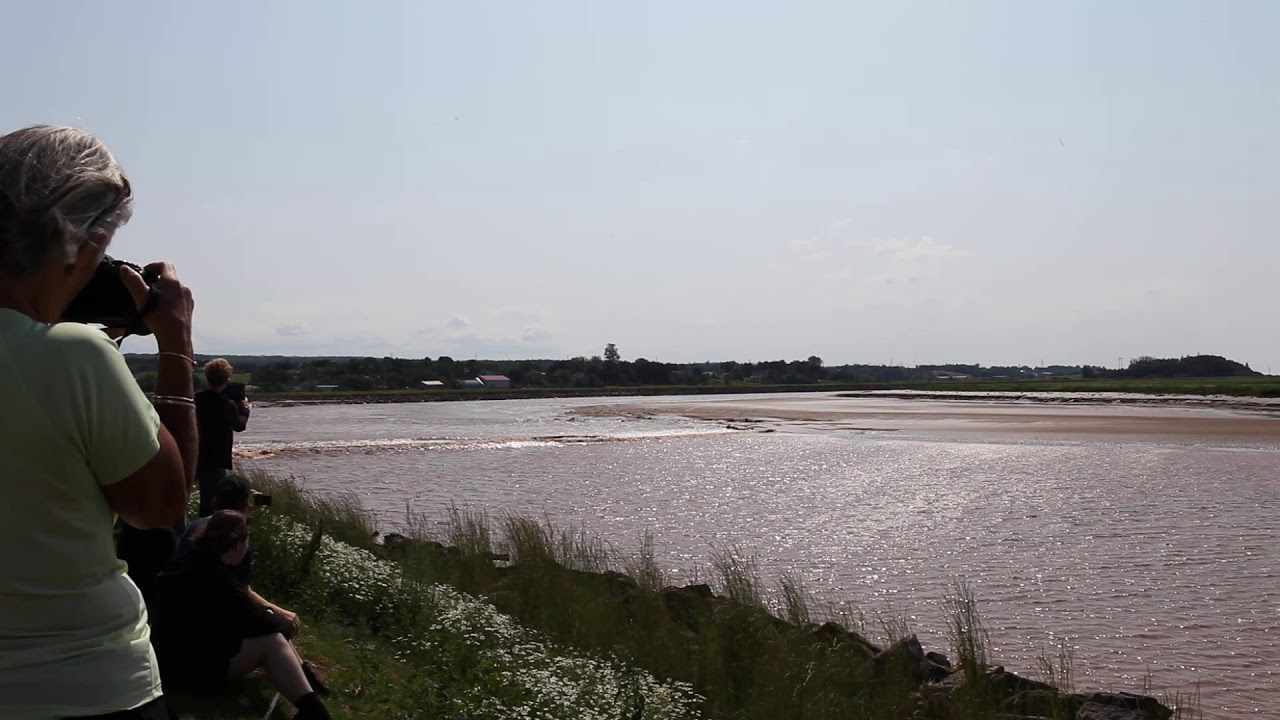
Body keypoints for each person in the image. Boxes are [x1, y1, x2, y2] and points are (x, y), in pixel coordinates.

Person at [0, 125, 196, 717]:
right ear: (82, 242)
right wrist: (176, 343)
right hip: (82, 683)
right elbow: (160, 505)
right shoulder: (75, 355)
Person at [151, 511, 332, 720]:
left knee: (272, 631)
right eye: (247, 540)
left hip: (169, 659)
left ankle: (307, 682)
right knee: (273, 642)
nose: (248, 548)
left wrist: (269, 615)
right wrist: (277, 618)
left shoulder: (192, 562)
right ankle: (313, 710)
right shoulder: (220, 580)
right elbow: (264, 625)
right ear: (235, 543)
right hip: (187, 670)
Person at [176, 475, 301, 637]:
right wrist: (280, 612)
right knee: (280, 628)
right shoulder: (239, 543)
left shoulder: (195, 527)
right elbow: (243, 591)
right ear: (245, 503)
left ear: (215, 501)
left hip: (181, 612)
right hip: (210, 619)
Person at [195, 358, 250, 517]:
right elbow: (239, 426)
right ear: (226, 379)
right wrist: (245, 410)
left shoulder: (197, 399)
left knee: (203, 501)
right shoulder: (227, 404)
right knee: (213, 503)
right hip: (216, 458)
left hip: (197, 455)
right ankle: (206, 535)